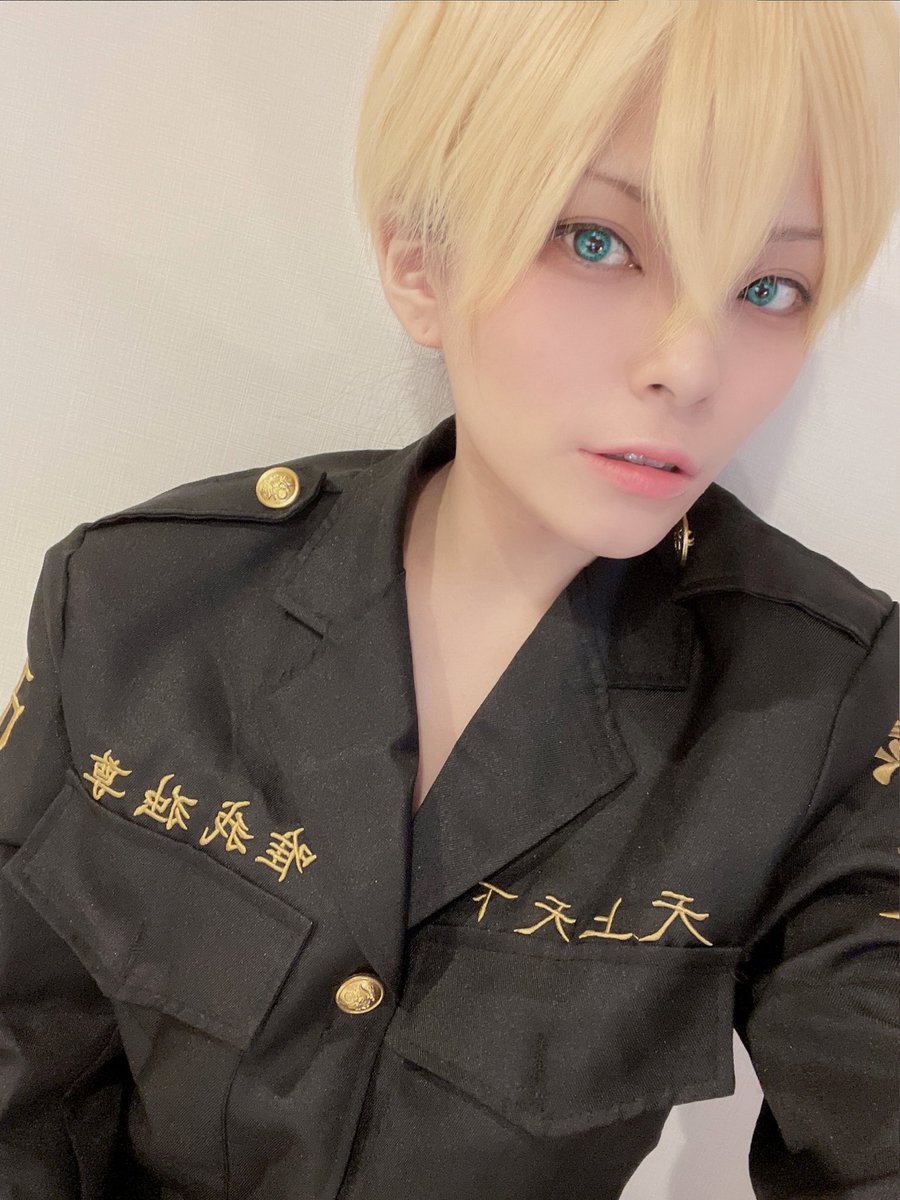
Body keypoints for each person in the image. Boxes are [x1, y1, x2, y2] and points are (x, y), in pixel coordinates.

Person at [0, 1, 897, 1197]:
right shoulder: (136, 609)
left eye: (771, 286)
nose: (690, 365)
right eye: (596, 241)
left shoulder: (817, 705)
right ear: (421, 263)